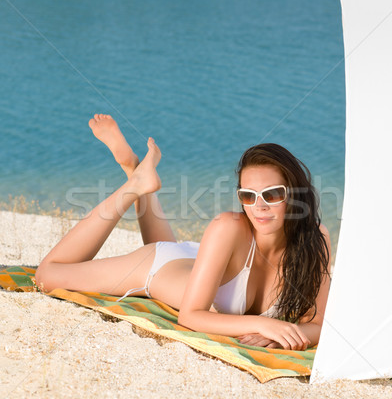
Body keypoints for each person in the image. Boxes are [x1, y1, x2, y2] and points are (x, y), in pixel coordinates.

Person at [35, 114, 331, 351]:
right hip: (157, 268)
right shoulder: (228, 227)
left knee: (167, 244)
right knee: (47, 276)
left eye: (272, 193)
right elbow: (190, 316)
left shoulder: (315, 239)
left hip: (201, 261)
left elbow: (315, 324)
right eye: (248, 196)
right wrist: (262, 324)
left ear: (294, 193)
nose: (260, 206)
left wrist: (283, 333)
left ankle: (134, 168)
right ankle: (134, 185)